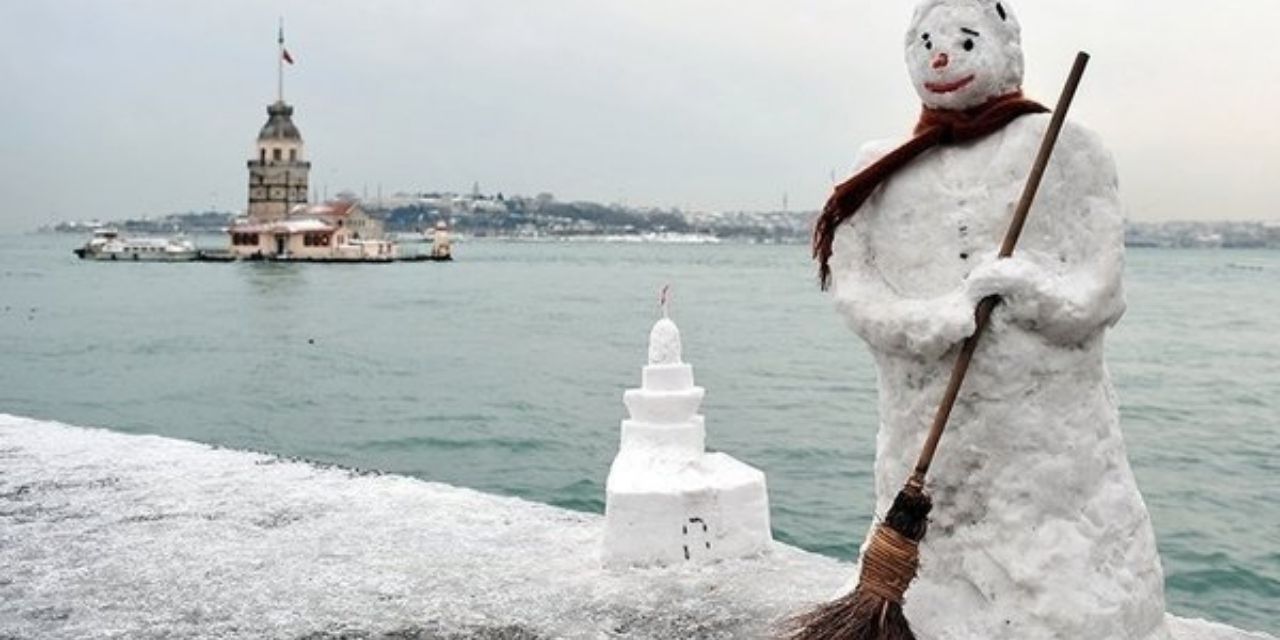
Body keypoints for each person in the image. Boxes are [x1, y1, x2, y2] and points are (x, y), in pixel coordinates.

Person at [814, 1, 1171, 637]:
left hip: (1049, 447)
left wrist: (1029, 288)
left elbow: (1101, 290)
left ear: (1005, 50)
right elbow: (855, 290)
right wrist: (934, 319)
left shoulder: (1066, 147)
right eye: (923, 42)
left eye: (963, 40)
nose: (940, 56)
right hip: (921, 427)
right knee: (937, 546)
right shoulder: (882, 165)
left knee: (1054, 573)